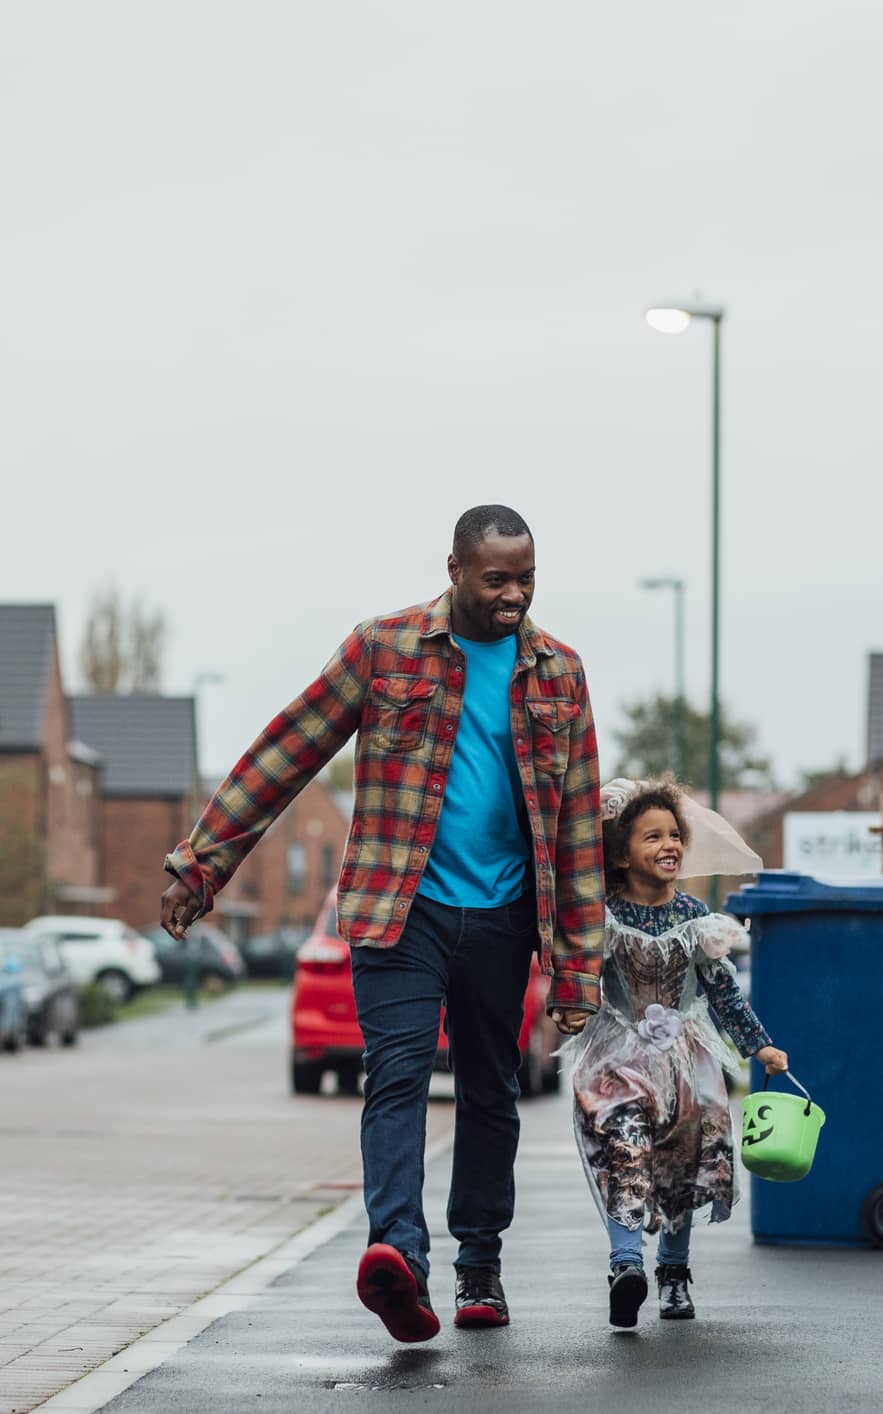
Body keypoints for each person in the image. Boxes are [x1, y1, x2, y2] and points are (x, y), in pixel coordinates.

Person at [158, 504, 605, 1344]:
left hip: (506, 916)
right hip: (400, 909)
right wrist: (202, 863)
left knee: (488, 1089)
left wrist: (578, 969)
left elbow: (578, 823)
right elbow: (288, 750)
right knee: (394, 1076)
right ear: (454, 570)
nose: (513, 596)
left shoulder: (559, 673)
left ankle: (479, 1266)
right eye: (496, 579)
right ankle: (397, 1253)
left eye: (527, 578)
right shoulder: (384, 647)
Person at [562, 776, 790, 1330]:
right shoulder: (604, 917)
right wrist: (570, 1003)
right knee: (625, 1146)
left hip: (687, 1061)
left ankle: (674, 1270)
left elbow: (722, 988)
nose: (668, 846)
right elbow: (579, 976)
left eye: (674, 836)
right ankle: (625, 1265)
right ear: (620, 854)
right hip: (617, 1057)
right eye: (651, 837)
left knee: (682, 1164)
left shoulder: (696, 916)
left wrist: (758, 1043)